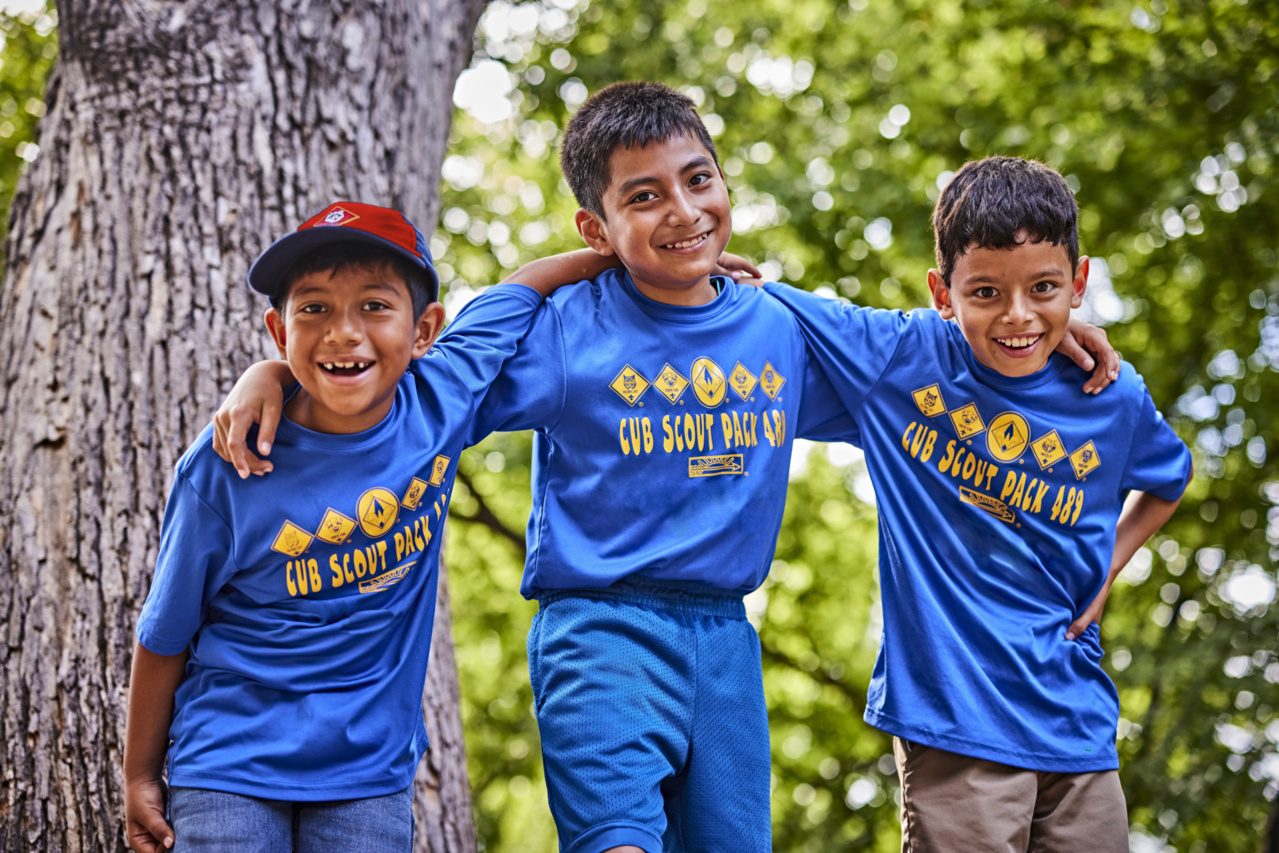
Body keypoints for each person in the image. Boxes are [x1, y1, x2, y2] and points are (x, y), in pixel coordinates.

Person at [213, 88, 1115, 853]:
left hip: (725, 641)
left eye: (697, 181)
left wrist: (1042, 334)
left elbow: (943, 364)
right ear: (595, 226)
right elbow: (405, 401)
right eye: (642, 197)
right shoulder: (569, 330)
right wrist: (272, 376)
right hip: (600, 629)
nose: (682, 212)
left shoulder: (782, 328)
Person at [765, 156, 1193, 851]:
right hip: (956, 724)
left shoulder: (1109, 394)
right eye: (986, 292)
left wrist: (1107, 569)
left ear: (1078, 283)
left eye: (1044, 288)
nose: (1017, 315)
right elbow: (752, 288)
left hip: (1078, 726)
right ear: (942, 291)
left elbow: (1169, 478)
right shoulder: (900, 358)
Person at [122, 201, 578, 852]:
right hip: (229, 759)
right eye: (313, 309)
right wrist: (139, 772)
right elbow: (165, 631)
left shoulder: (439, 400)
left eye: (373, 306)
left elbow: (525, 287)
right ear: (279, 332)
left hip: (368, 772)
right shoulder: (228, 462)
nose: (343, 331)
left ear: (424, 331)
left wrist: (659, 263)